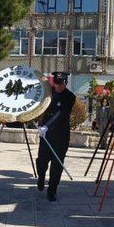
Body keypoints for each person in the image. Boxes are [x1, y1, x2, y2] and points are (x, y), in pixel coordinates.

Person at [36, 71, 76, 202]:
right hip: (46, 135)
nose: (59, 87)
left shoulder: (70, 97)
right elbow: (39, 106)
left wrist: (46, 125)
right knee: (41, 161)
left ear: (66, 83)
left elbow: (61, 113)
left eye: (61, 84)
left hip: (60, 136)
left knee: (57, 165)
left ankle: (52, 191)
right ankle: (41, 177)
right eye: (57, 84)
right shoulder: (48, 93)